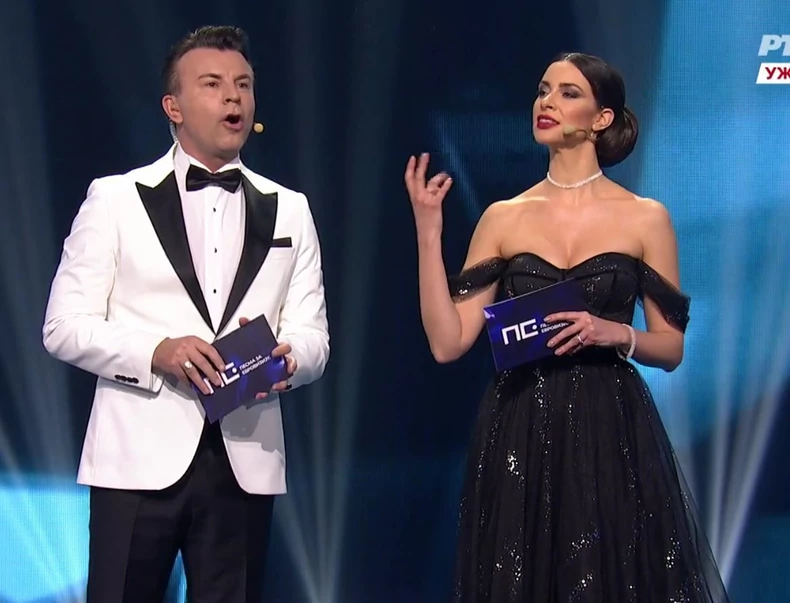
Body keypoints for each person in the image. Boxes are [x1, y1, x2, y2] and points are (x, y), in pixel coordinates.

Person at [404, 52, 728, 602]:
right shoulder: (503, 216)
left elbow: (671, 347)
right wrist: (428, 233)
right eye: (542, 90)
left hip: (609, 424)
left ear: (602, 118)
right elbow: (447, 342)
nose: (546, 102)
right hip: (520, 423)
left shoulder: (645, 217)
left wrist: (616, 334)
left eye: (567, 93)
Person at [42, 25, 329, 602]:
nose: (233, 97)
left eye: (243, 84)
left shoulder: (290, 209)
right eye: (213, 84)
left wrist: (288, 359)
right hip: (136, 459)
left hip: (245, 459)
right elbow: (63, 326)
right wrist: (157, 352)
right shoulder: (116, 199)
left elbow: (314, 337)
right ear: (173, 107)